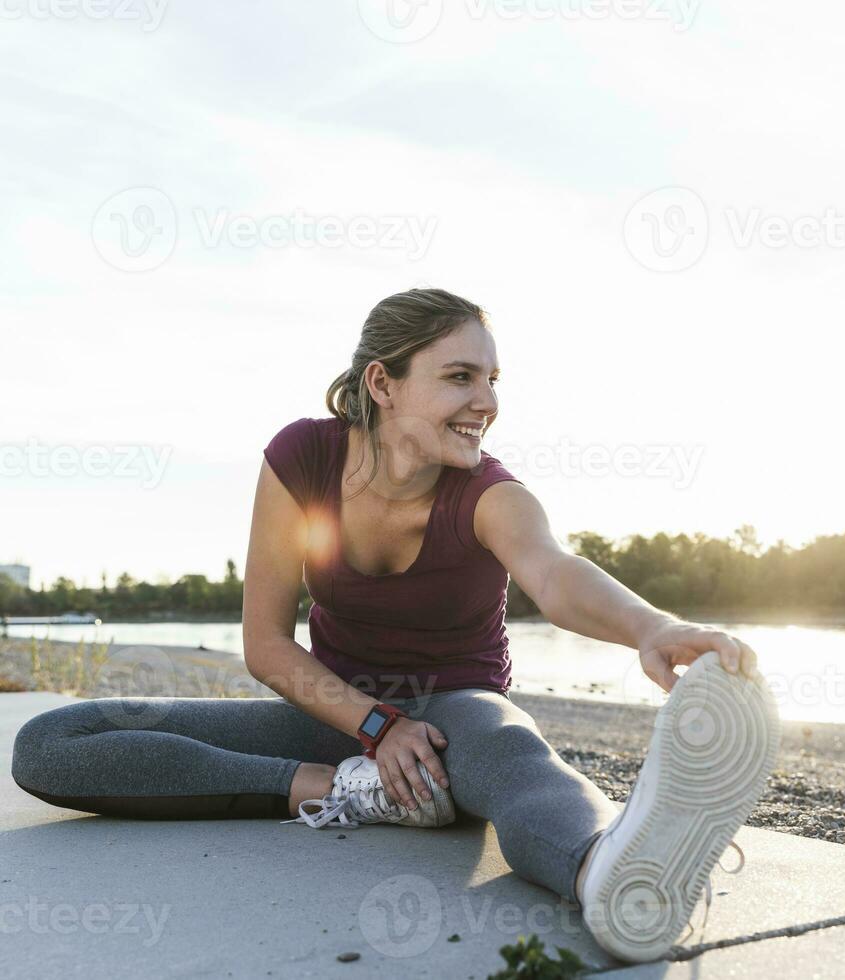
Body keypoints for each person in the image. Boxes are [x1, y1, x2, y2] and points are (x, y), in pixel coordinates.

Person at [9, 287, 780, 964]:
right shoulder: (301, 459)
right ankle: (346, 791)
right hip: (335, 716)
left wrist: (651, 626)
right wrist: (373, 734)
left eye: (492, 379)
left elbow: (554, 573)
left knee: (513, 758)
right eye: (459, 376)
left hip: (455, 719)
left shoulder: (490, 493)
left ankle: (611, 872)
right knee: (53, 743)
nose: (487, 400)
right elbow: (266, 645)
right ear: (382, 383)